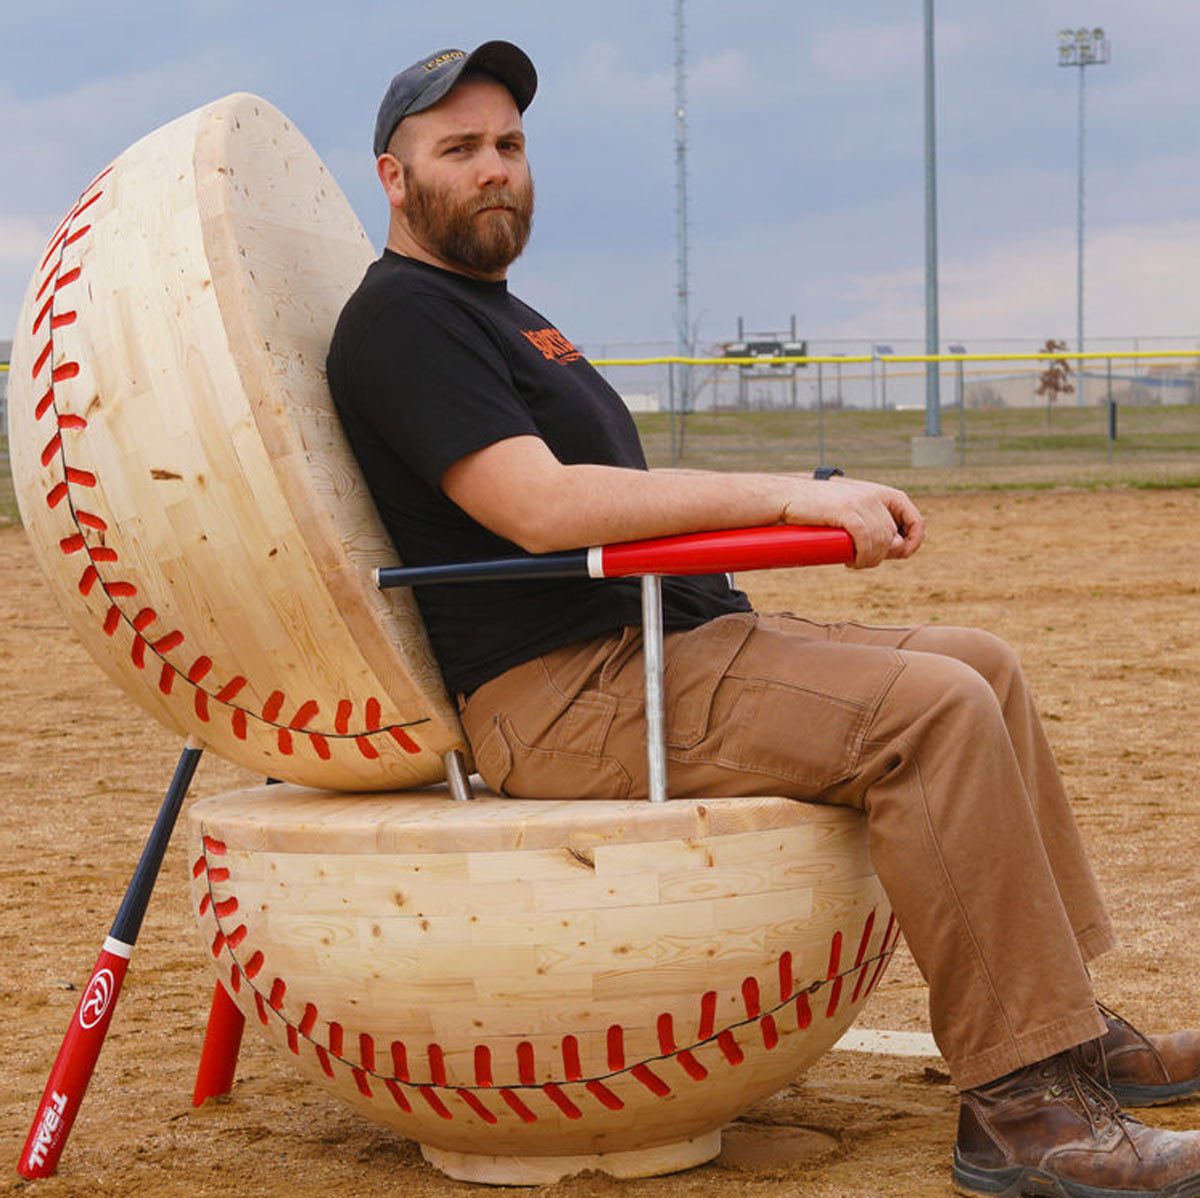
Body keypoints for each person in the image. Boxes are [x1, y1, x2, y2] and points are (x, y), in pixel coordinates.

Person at [327, 41, 1200, 1198]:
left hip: (659, 642)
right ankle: (1021, 1107)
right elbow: (537, 508)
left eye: (511, 145)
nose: (496, 171)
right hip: (565, 689)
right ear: (395, 177)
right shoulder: (403, 318)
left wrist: (783, 516)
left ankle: (1071, 1031)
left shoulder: (502, 313)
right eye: (461, 150)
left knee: (979, 662)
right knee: (930, 711)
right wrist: (791, 494)